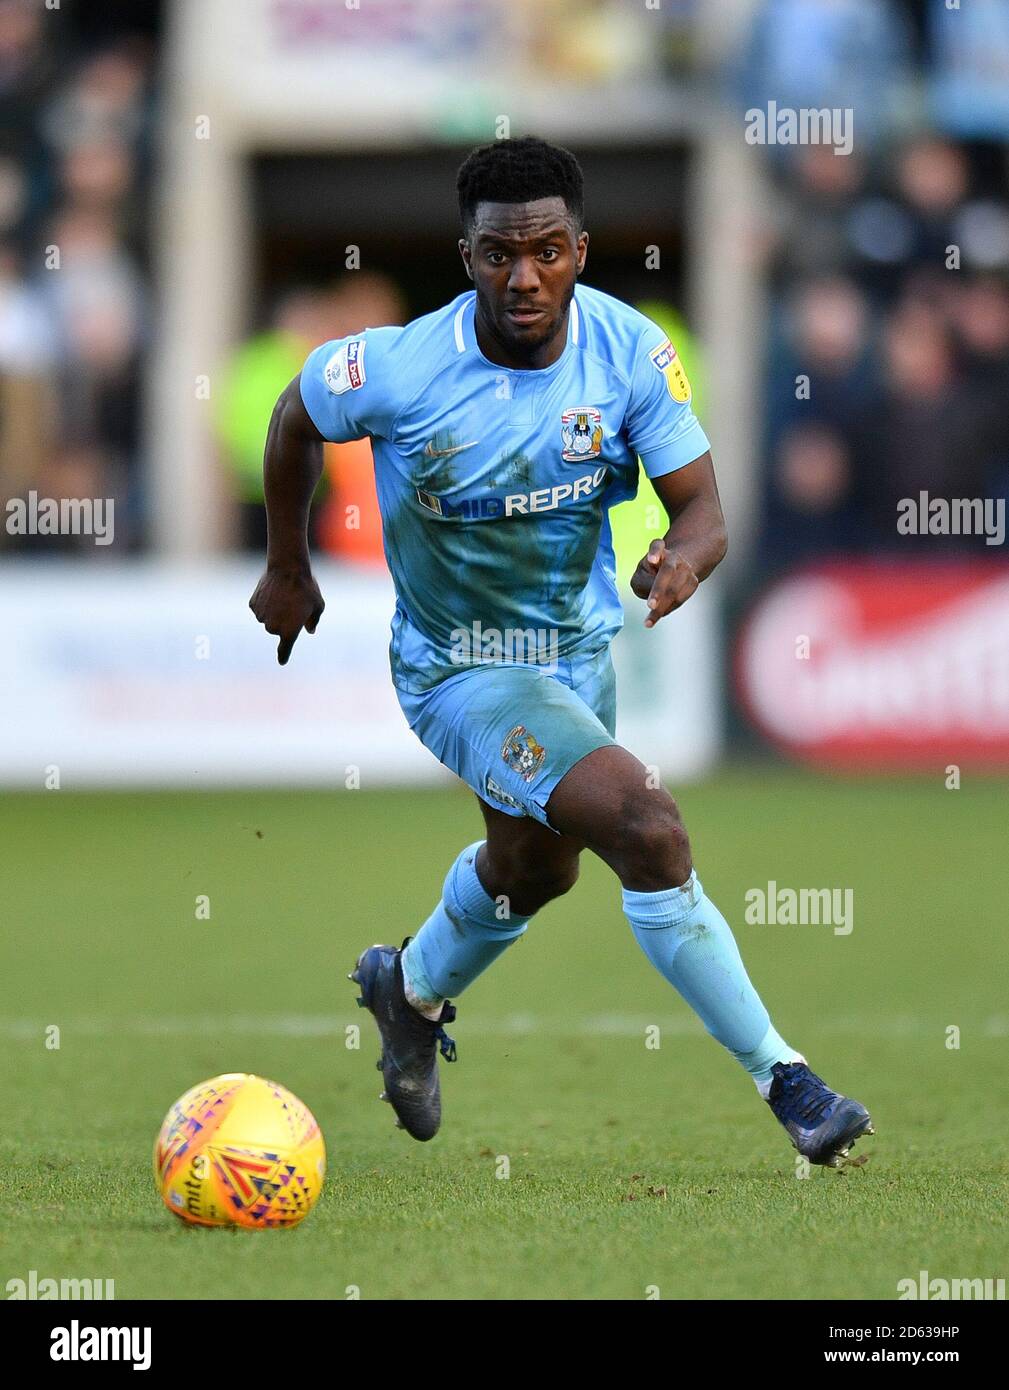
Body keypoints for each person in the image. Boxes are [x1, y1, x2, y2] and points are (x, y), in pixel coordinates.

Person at [250, 137, 872, 1165]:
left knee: (534, 872)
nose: (523, 274)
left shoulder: (629, 355)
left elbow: (704, 508)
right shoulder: (400, 368)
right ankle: (787, 1081)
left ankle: (406, 989)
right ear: (467, 257)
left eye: (546, 249)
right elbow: (290, 417)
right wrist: (286, 564)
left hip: (576, 660)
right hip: (460, 668)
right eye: (499, 253)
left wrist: (687, 558)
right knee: (646, 825)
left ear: (581, 249)